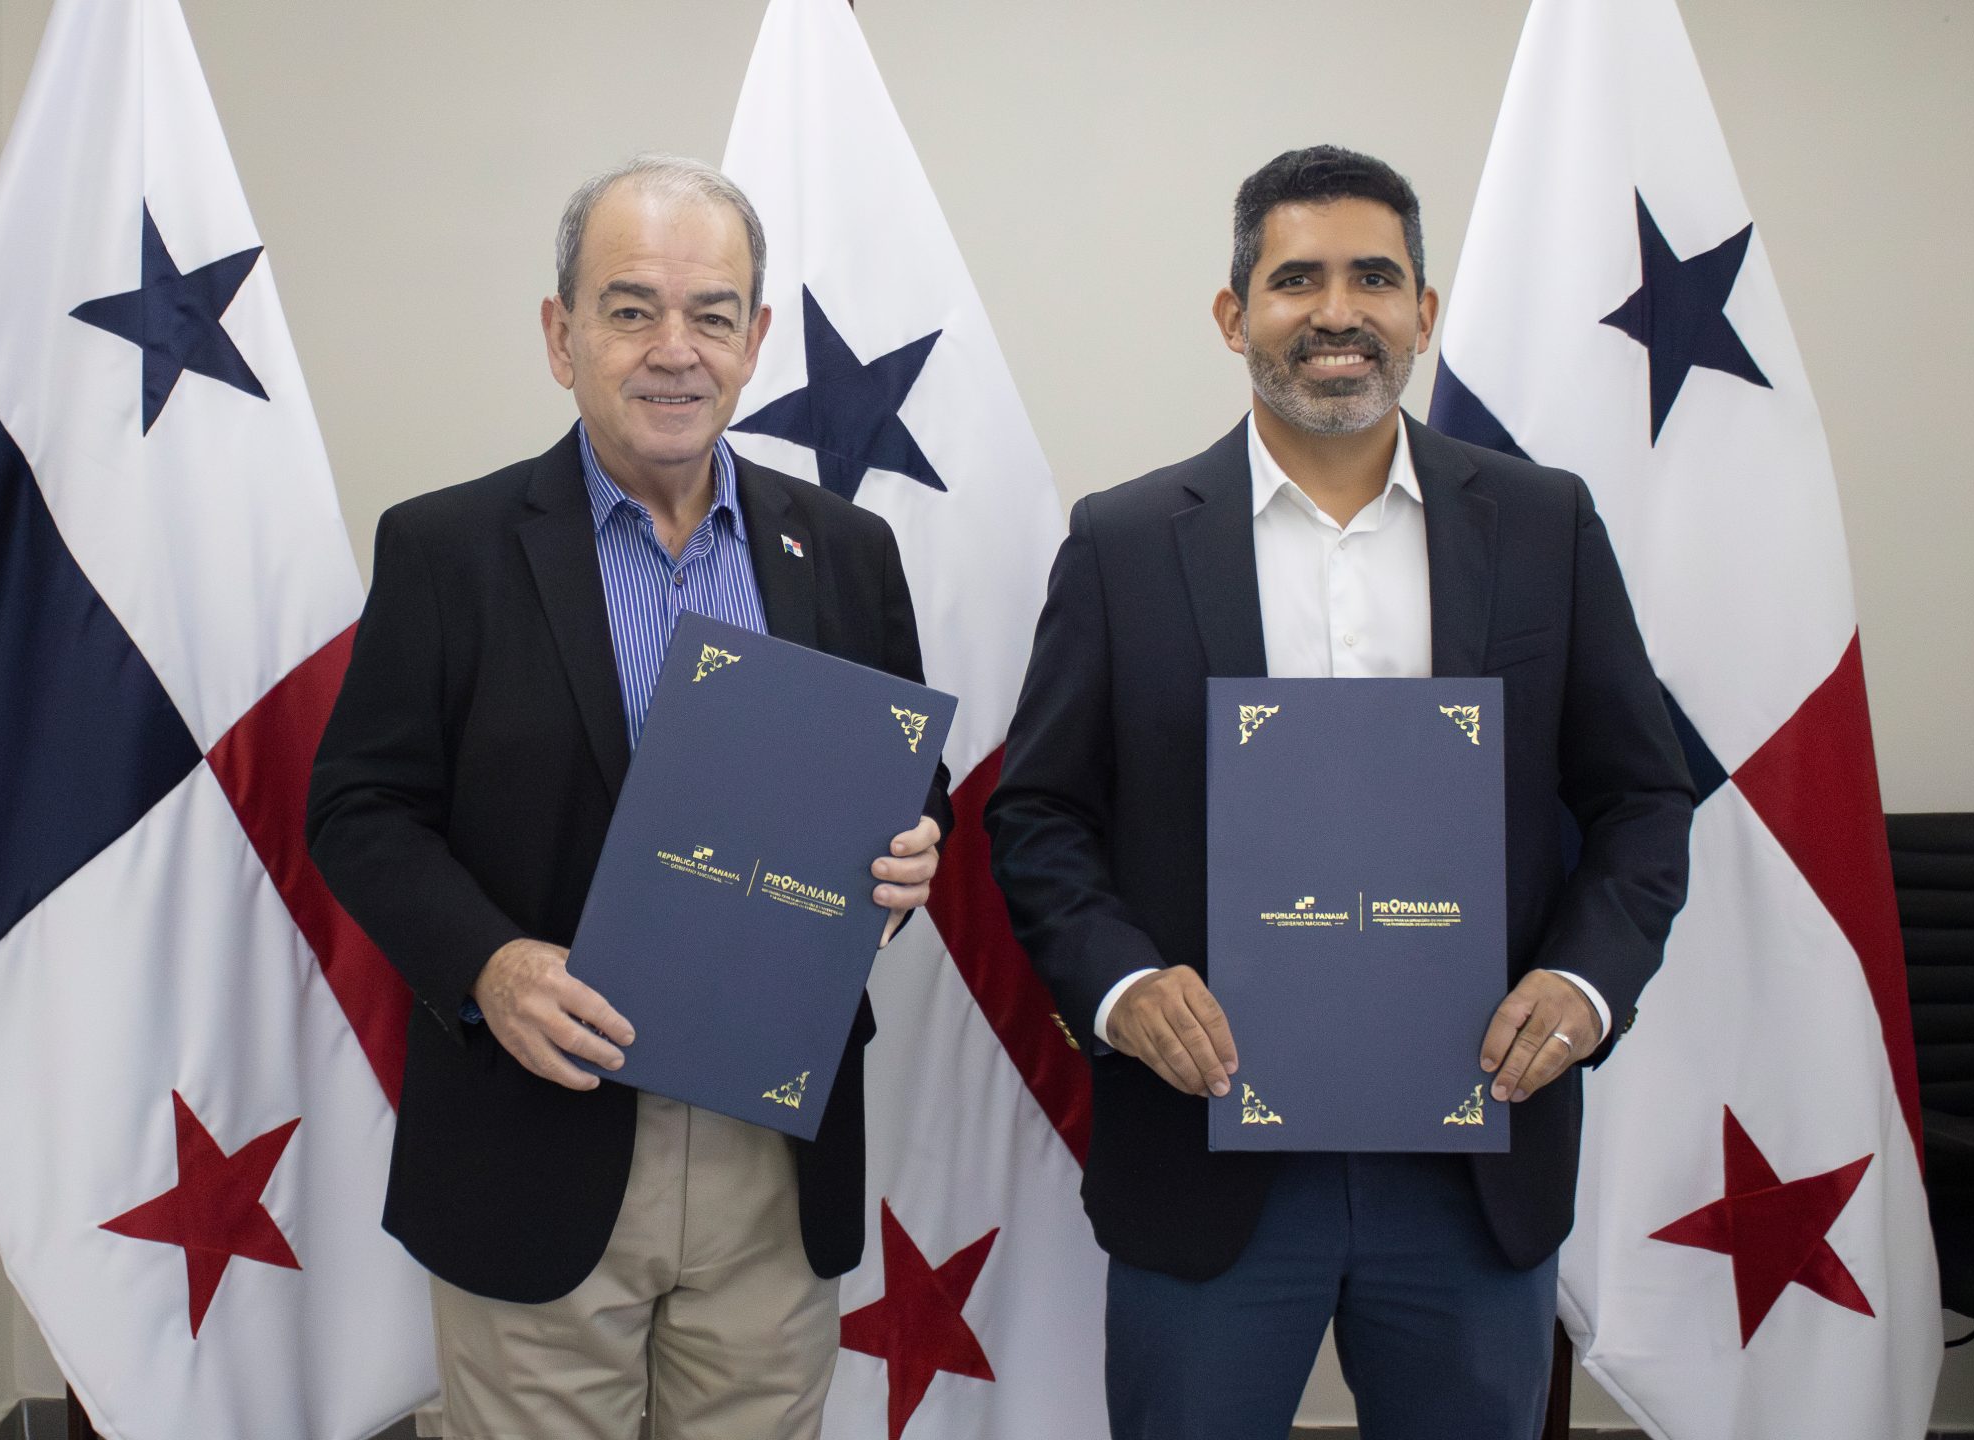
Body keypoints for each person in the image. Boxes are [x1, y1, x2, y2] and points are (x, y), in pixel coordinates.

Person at [984, 145, 1694, 1438]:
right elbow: (1040, 815)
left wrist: (1584, 985)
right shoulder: (1124, 543)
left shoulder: (1543, 525)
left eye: (1373, 277)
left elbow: (1642, 797)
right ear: (1233, 314)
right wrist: (1125, 986)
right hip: (1205, 1150)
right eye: (1296, 279)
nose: (1336, 311)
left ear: (1424, 311)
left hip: (1473, 1152)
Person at [308, 155, 948, 1440]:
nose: (674, 350)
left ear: (755, 341)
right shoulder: (446, 548)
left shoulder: (846, 552)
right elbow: (359, 809)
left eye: (712, 314)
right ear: (561, 336)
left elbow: (899, 779)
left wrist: (909, 853)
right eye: (630, 308)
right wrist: (489, 966)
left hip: (773, 1148)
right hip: (532, 1131)